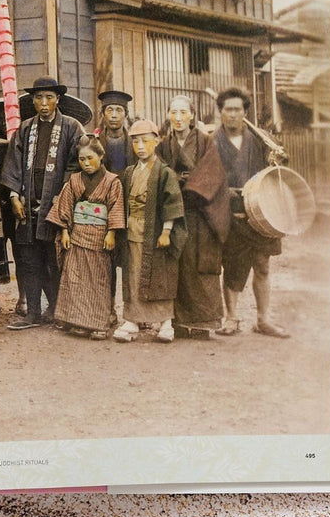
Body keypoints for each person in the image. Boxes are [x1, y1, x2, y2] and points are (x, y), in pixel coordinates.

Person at [0, 76, 87, 330]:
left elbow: (76, 165)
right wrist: (14, 196)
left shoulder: (72, 127)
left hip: (58, 202)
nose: (44, 103)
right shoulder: (25, 129)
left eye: (49, 97)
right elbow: (13, 165)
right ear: (33, 101)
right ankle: (33, 313)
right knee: (29, 260)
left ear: (58, 99)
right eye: (39, 98)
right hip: (27, 204)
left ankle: (57, 310)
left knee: (55, 259)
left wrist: (63, 197)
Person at [213, 87, 291, 338]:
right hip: (231, 212)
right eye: (228, 109)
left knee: (263, 265)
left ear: (245, 112)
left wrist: (280, 159)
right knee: (232, 266)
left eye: (238, 109)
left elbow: (277, 172)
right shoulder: (212, 141)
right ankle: (231, 317)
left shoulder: (261, 138)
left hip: (262, 212)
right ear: (221, 113)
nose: (233, 114)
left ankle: (262, 319)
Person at [157, 95, 230, 339]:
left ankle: (203, 322)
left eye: (183, 113)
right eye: (173, 112)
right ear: (168, 115)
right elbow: (160, 174)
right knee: (177, 266)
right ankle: (178, 321)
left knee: (200, 266)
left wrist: (185, 184)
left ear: (192, 115)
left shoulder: (206, 141)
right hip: (174, 213)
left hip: (201, 212)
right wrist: (175, 182)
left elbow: (212, 173)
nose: (177, 118)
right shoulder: (163, 145)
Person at [47, 136, 125, 339]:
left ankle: (99, 323)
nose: (86, 163)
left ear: (101, 156)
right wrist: (64, 230)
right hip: (77, 236)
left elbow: (116, 208)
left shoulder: (112, 181)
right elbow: (64, 207)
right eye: (82, 160)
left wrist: (111, 232)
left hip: (100, 237)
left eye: (90, 158)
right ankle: (79, 321)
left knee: (99, 281)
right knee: (76, 279)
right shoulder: (74, 180)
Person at [115, 119, 184, 343]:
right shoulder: (129, 172)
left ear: (156, 141)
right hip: (133, 229)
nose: (141, 147)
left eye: (145, 141)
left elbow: (171, 203)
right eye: (136, 142)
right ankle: (133, 320)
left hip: (155, 232)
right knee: (133, 273)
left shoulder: (165, 173)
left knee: (161, 275)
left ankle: (165, 322)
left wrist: (166, 232)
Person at [96, 89, 135, 174]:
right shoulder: (94, 142)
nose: (114, 115)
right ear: (103, 114)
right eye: (109, 110)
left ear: (126, 114)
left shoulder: (134, 143)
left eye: (119, 110)